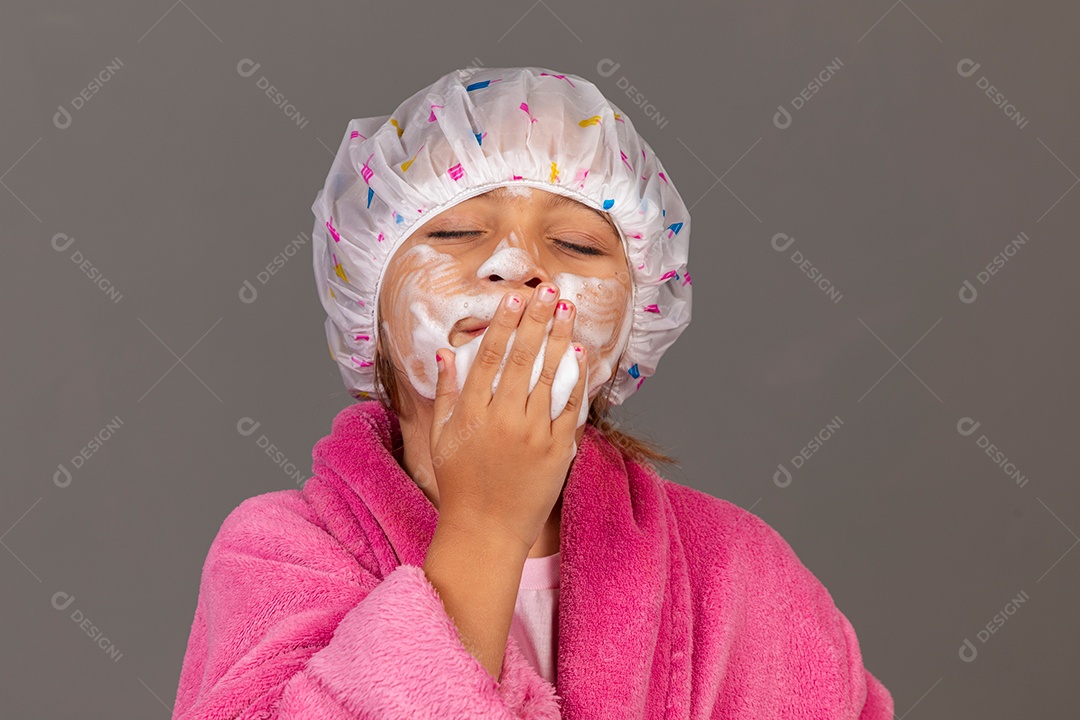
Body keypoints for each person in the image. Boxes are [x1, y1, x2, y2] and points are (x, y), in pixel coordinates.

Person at [171, 66, 894, 719]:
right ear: (368, 310)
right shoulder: (279, 554)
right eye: (455, 232)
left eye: (577, 245)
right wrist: (485, 525)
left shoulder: (737, 574)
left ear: (636, 321)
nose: (516, 265)